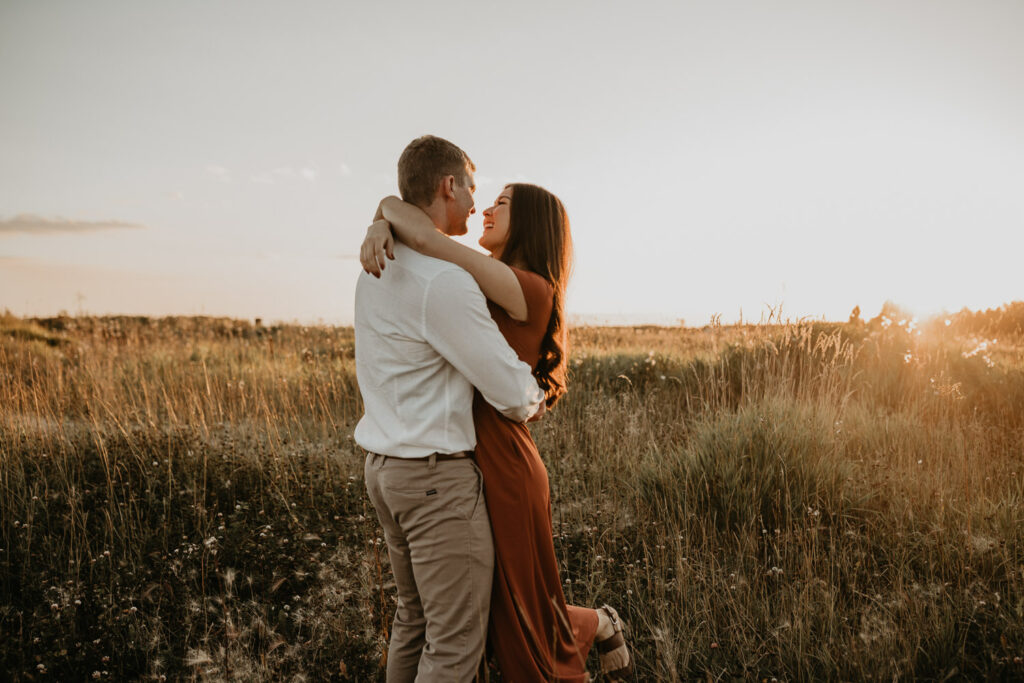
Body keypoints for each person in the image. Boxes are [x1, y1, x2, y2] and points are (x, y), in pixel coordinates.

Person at [361, 179, 634, 681]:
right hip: (475, 451)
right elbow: (421, 234)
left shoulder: (528, 285)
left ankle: (590, 631)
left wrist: (383, 217)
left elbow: (426, 239)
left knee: (515, 610)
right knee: (501, 606)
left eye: (501, 204)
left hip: (502, 459)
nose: (485, 208)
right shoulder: (485, 276)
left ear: (529, 223)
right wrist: (383, 220)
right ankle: (596, 624)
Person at [353, 135, 548, 682]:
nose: (474, 202)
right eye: (471, 188)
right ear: (448, 185)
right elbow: (513, 396)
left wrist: (380, 219)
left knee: (413, 621)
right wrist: (535, 396)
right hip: (435, 481)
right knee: (455, 644)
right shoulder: (443, 281)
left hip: (386, 472)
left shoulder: (380, 265)